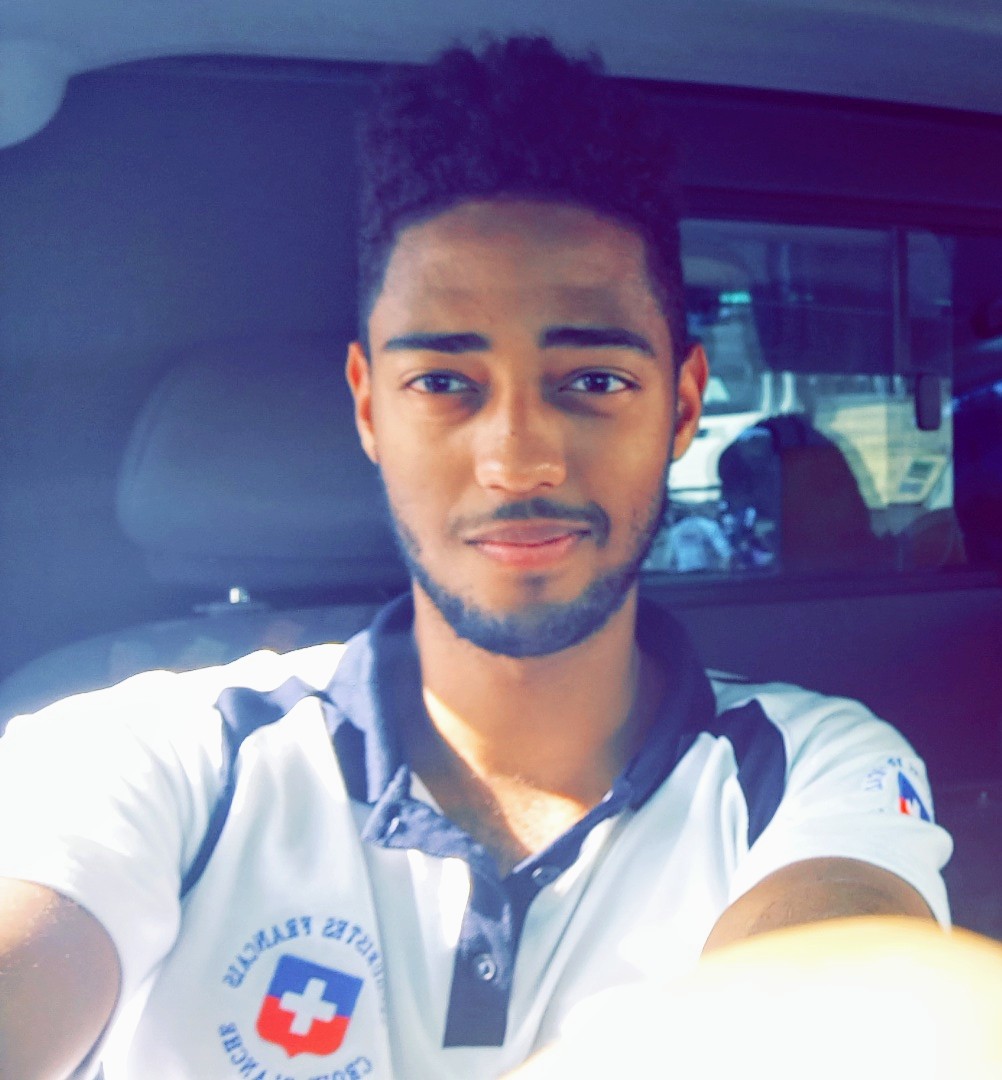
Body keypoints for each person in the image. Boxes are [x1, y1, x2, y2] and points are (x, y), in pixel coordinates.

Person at [0, 36, 958, 1080]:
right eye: (444, 384)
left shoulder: (804, 770)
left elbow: (840, 1000)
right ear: (370, 407)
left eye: (593, 381)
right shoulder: (161, 756)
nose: (517, 460)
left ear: (683, 405)